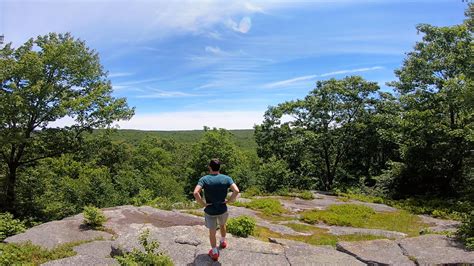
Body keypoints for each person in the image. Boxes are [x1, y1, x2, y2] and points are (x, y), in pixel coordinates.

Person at [193, 158, 240, 262]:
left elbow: (196, 193)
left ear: (209, 167)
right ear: (219, 167)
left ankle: (214, 252)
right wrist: (229, 200)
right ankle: (223, 242)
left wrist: (203, 204)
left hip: (210, 211)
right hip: (222, 209)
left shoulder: (204, 179)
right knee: (223, 225)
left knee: (212, 232)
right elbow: (236, 190)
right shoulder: (226, 178)